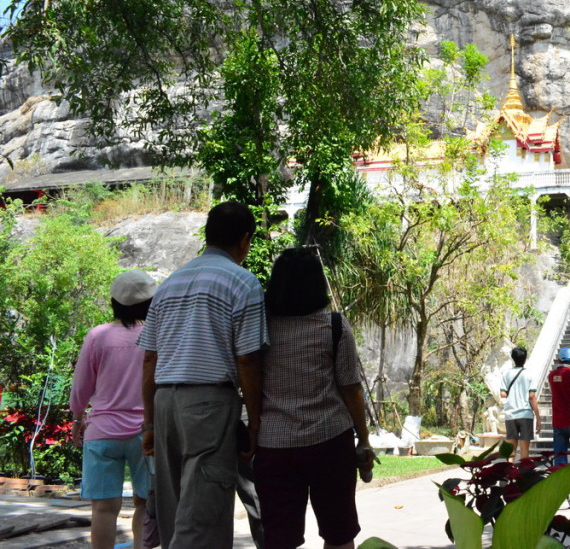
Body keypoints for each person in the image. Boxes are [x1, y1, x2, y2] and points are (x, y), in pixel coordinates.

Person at [138, 201, 267, 549]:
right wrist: (254, 425)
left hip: (165, 403)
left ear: (207, 236)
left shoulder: (169, 284)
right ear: (245, 240)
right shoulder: (242, 282)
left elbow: (150, 358)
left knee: (173, 507)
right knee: (203, 516)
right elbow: (248, 361)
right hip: (209, 404)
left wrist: (149, 424)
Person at [255, 247, 372, 549]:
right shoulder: (333, 325)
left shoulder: (260, 327)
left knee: (279, 537)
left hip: (274, 446)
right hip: (330, 441)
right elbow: (351, 388)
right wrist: (364, 438)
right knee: (339, 531)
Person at [71, 270, 157, 549]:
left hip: (103, 431)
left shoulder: (98, 336)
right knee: (144, 503)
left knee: (104, 508)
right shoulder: (156, 335)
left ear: (114, 302)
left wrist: (76, 417)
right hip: (147, 433)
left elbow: (82, 385)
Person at [500, 346, 540, 462]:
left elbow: (502, 394)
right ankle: (523, 474)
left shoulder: (506, 374)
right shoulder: (529, 375)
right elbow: (532, 396)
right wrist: (538, 417)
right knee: (524, 449)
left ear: (513, 358)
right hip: (525, 415)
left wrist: (512, 394)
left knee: (511, 449)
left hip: (511, 414)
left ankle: (510, 474)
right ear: (525, 359)